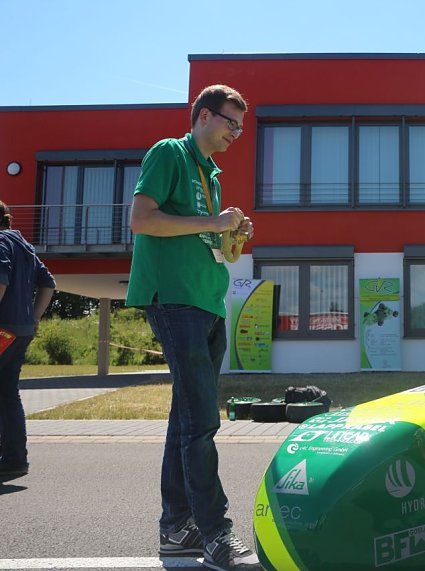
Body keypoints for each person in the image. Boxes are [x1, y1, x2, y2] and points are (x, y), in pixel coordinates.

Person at [126, 85, 259, 571]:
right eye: (230, 122)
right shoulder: (170, 153)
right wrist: (213, 219)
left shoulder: (214, 176)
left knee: (185, 420)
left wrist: (232, 234)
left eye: (241, 126)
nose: (236, 133)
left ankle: (176, 527)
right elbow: (142, 220)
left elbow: (219, 249)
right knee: (202, 421)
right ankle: (215, 534)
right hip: (174, 298)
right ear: (204, 115)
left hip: (207, 300)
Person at [0, 202, 55, 480]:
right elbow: (48, 283)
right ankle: (14, 458)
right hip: (20, 329)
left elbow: (1, 280)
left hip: (2, 328)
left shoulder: (0, 243)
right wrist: (33, 317)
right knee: (7, 392)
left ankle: (11, 456)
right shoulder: (24, 246)